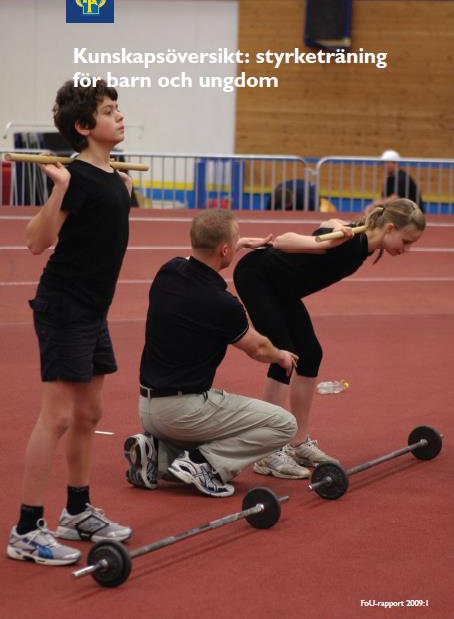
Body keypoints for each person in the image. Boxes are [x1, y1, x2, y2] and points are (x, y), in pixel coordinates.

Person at [7, 80, 133, 567]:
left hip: (92, 312)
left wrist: (121, 190)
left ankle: (77, 511)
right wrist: (58, 190)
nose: (119, 116)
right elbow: (36, 242)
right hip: (64, 307)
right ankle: (26, 528)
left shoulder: (112, 177)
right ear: (84, 127)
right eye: (108, 110)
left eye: (118, 108)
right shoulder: (76, 177)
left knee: (89, 414)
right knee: (57, 416)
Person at [233, 199, 425, 478]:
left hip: (282, 287)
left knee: (310, 354)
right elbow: (283, 241)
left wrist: (334, 224)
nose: (406, 249)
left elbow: (329, 224)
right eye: (406, 241)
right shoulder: (349, 243)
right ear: (390, 228)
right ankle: (267, 451)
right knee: (284, 356)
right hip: (259, 278)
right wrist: (321, 242)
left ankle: (298, 442)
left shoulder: (357, 238)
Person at [124, 209, 304, 498]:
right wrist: (281, 355)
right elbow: (257, 347)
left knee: (212, 420)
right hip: (184, 410)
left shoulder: (168, 271)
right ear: (224, 249)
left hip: (148, 407)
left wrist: (238, 242)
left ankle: (157, 452)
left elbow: (202, 251)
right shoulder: (222, 303)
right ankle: (205, 465)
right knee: (283, 423)